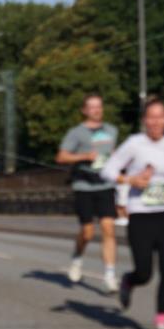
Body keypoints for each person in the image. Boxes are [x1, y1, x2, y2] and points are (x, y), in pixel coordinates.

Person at [101, 97, 164, 329]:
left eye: (160, 117)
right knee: (145, 272)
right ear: (144, 120)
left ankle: (162, 324)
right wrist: (130, 181)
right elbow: (107, 170)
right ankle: (129, 280)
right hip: (140, 214)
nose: (155, 122)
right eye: (151, 117)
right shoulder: (134, 144)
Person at [56, 94, 120, 293]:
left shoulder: (112, 130)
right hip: (84, 185)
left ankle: (109, 275)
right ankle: (77, 257)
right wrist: (85, 156)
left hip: (105, 185)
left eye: (99, 106)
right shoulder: (76, 133)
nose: (96, 110)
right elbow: (61, 156)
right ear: (84, 110)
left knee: (108, 228)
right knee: (88, 232)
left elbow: (114, 153)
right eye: (92, 107)